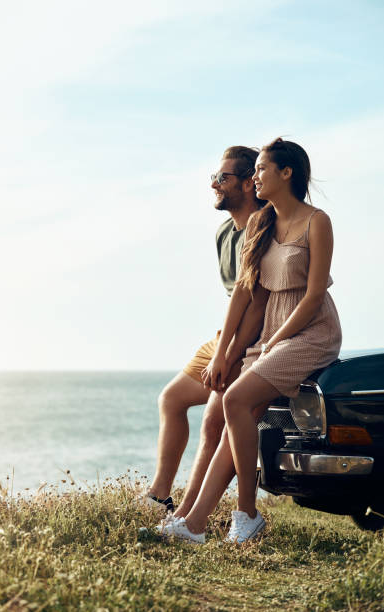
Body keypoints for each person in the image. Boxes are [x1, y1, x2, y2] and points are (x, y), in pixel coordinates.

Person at [162, 137, 342, 544]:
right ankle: (194, 525)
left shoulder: (318, 221)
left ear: (287, 173)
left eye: (261, 169)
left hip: (311, 330)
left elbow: (314, 295)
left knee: (234, 400)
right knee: (235, 415)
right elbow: (243, 293)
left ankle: (246, 513)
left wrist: (277, 339)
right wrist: (226, 349)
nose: (255, 177)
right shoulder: (261, 224)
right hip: (273, 332)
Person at [146, 146, 268, 516]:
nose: (214, 184)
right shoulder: (223, 233)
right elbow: (235, 295)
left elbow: (259, 301)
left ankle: (186, 516)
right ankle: (160, 497)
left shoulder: (264, 228)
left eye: (223, 178)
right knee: (171, 399)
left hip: (253, 337)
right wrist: (221, 346)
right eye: (214, 177)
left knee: (214, 422)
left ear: (249, 184)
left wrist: (230, 354)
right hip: (226, 333)